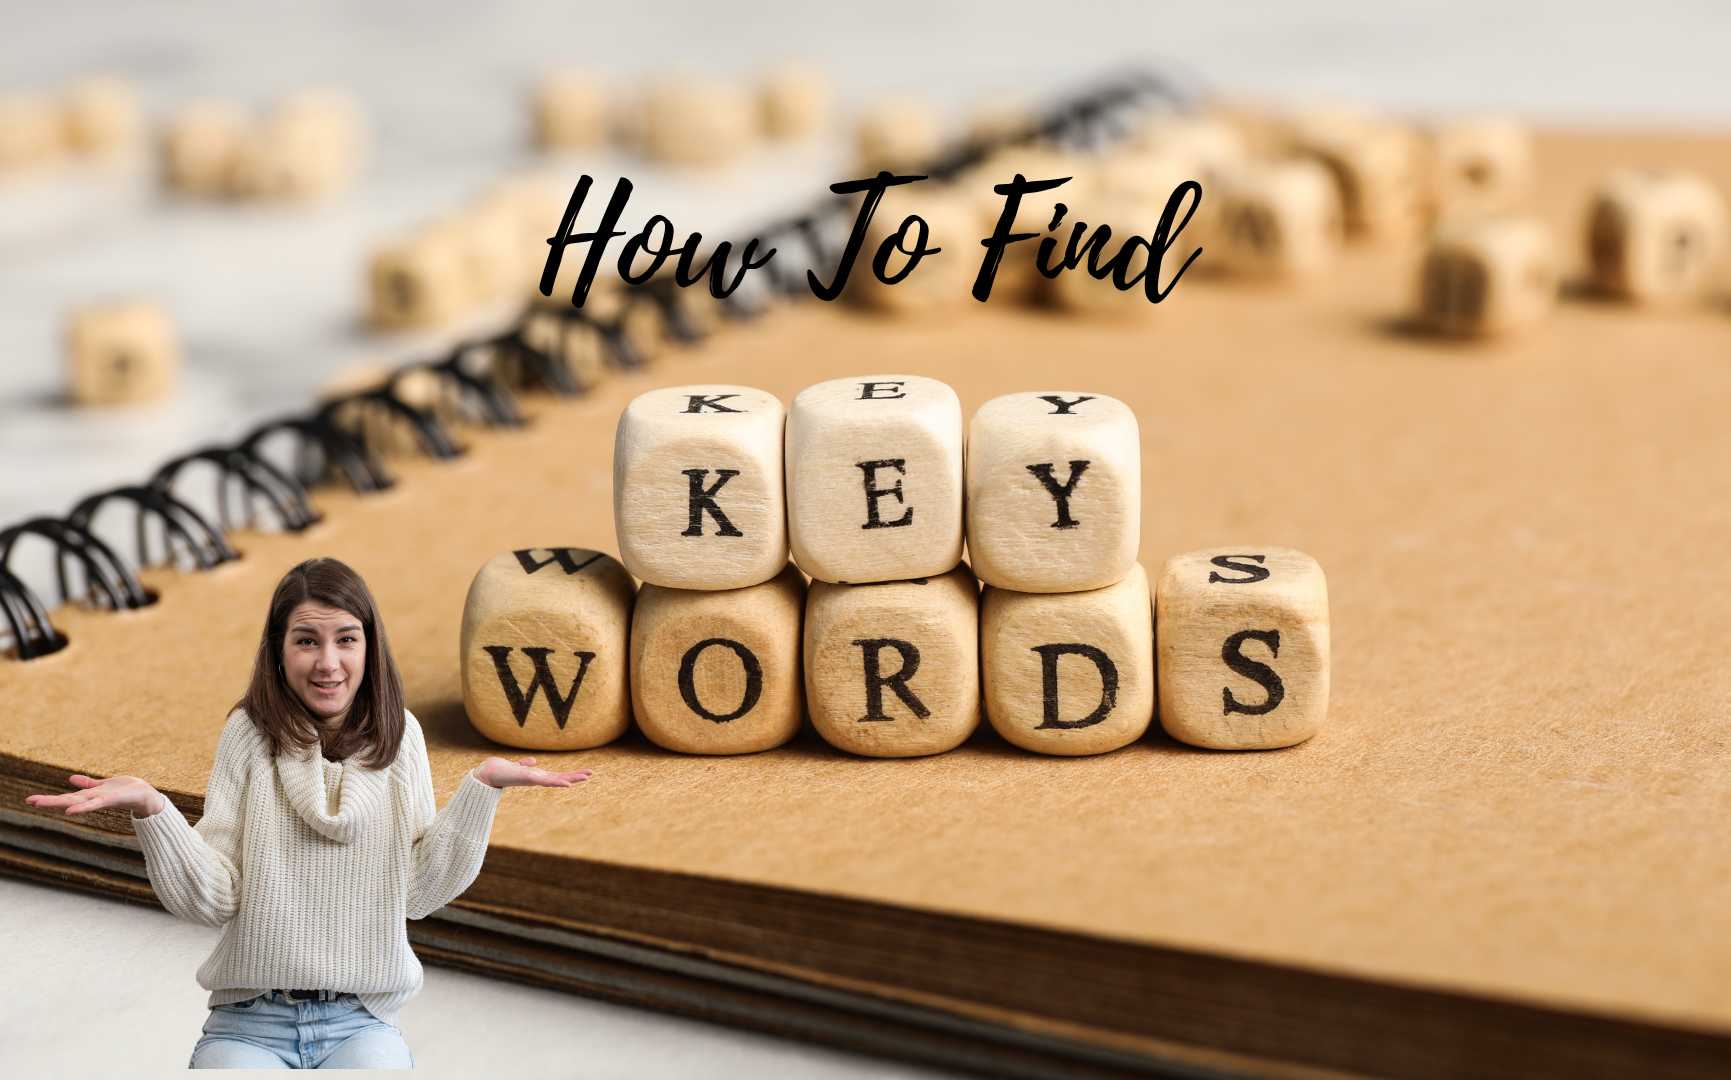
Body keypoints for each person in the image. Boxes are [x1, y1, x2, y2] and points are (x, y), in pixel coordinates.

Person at [24, 557, 591, 1069]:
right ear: (278, 649)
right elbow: (217, 897)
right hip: (249, 1022)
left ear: (370, 646)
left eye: (346, 639)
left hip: (361, 1021)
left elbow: (416, 892)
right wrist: (155, 812)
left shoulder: (402, 738)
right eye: (306, 641)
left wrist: (480, 790)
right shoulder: (248, 734)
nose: (328, 663)